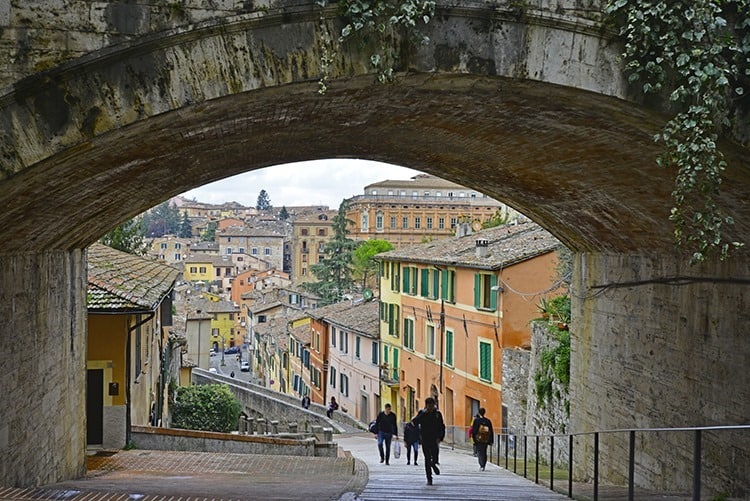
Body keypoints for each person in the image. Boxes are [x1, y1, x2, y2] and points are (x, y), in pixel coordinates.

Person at [411, 397, 445, 485]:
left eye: (432, 406)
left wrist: (440, 437)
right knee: (427, 458)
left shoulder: (437, 414)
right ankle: (429, 478)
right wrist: (423, 414)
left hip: (434, 439)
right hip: (425, 439)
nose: (431, 407)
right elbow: (414, 422)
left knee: (435, 458)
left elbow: (442, 426)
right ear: (426, 405)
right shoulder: (422, 413)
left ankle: (433, 465)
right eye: (429, 406)